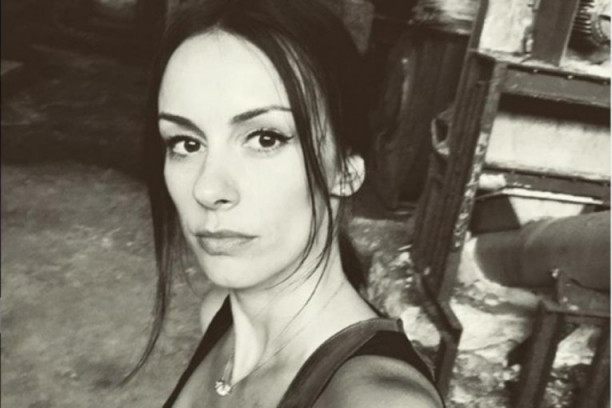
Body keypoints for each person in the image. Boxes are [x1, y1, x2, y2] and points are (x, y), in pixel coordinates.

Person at [137, 0, 445, 406]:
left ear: (346, 169)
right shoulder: (220, 316)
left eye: (265, 138)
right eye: (186, 143)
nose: (207, 189)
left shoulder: (379, 401)